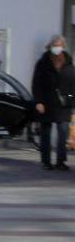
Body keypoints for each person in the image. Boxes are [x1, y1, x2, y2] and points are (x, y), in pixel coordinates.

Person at [31, 36, 72, 171]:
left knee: (63, 132)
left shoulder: (68, 62)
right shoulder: (42, 63)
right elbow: (36, 84)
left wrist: (72, 99)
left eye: (60, 45)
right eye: (55, 45)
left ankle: (61, 161)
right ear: (50, 46)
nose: (57, 48)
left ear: (63, 47)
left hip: (63, 103)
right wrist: (38, 101)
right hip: (47, 102)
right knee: (46, 133)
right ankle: (46, 161)